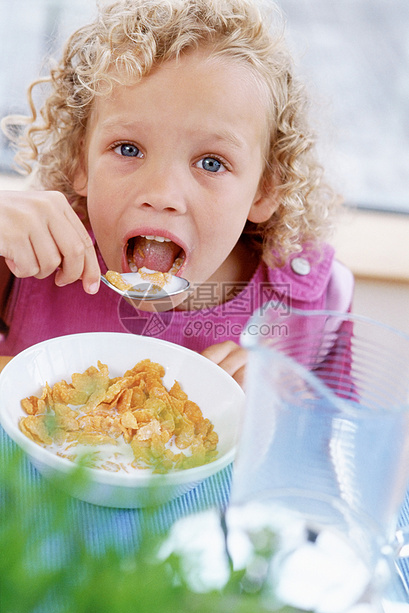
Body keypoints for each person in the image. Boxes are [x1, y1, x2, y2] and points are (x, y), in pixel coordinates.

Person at [0, 0, 353, 386]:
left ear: (266, 189)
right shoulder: (27, 265)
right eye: (128, 149)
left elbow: (341, 442)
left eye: (211, 163)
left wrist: (278, 415)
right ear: (79, 161)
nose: (162, 193)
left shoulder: (312, 307)